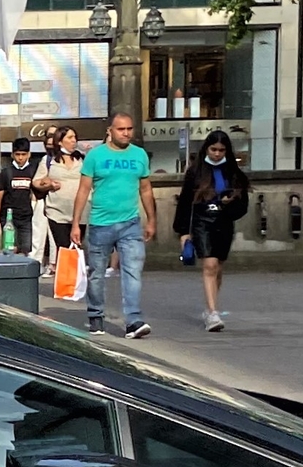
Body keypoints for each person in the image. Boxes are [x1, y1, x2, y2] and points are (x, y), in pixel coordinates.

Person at [71, 112, 156, 336]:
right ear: (110, 130)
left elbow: (146, 189)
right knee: (96, 274)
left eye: (129, 129)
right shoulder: (95, 156)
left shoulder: (139, 155)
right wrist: (76, 224)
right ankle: (96, 315)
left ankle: (133, 321)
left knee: (133, 271)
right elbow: (83, 190)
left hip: (130, 223)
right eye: (121, 129)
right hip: (100, 223)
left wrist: (151, 219)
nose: (126, 133)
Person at [173, 127, 251, 332]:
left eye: (221, 150)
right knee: (209, 264)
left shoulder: (234, 173)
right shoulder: (195, 171)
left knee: (218, 267)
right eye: (213, 149)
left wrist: (229, 203)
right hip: (201, 222)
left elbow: (243, 206)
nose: (216, 154)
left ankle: (211, 308)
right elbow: (184, 203)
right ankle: (212, 312)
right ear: (206, 149)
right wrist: (183, 231)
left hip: (224, 222)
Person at [33, 127, 85, 269]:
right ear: (60, 142)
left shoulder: (82, 158)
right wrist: (49, 185)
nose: (74, 140)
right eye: (69, 137)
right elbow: (36, 182)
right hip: (57, 212)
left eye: (75, 137)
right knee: (64, 248)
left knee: (76, 248)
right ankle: (65, 285)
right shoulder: (49, 160)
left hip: (80, 214)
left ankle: (74, 284)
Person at [0, 136, 43, 254]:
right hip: (8, 218)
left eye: (23, 154)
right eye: (17, 154)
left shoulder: (33, 171)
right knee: (9, 248)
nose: (20, 158)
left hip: (26, 217)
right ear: (12, 155)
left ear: (29, 154)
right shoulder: (6, 173)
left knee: (26, 249)